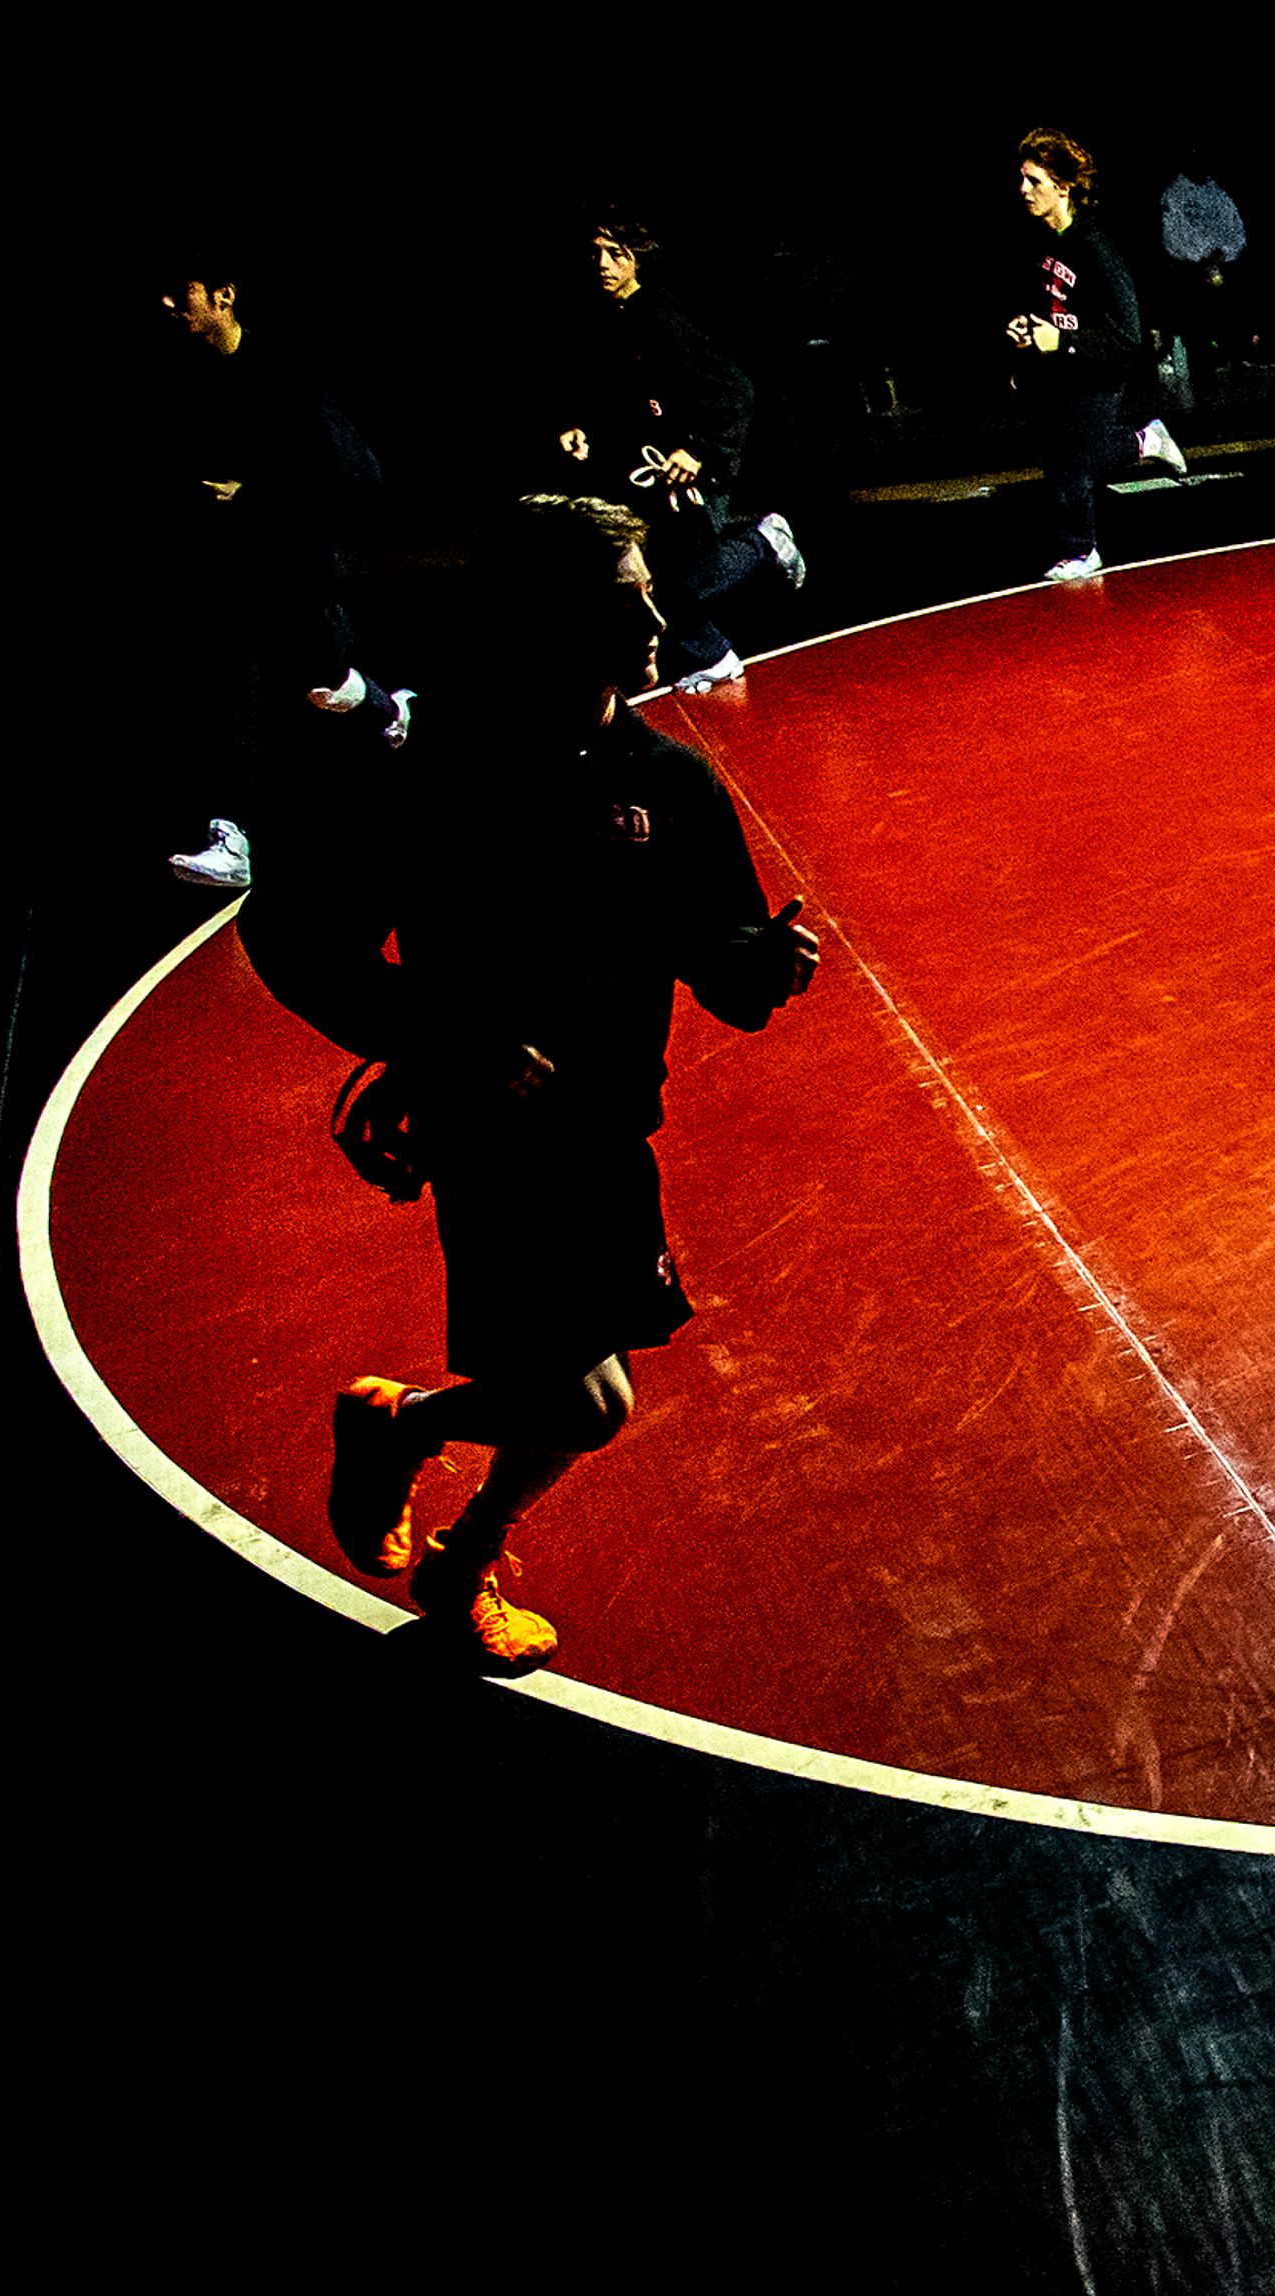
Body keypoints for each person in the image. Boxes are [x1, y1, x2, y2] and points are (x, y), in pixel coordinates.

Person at [240, 494, 823, 1670]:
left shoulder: (672, 786)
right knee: (587, 1404)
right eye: (624, 600)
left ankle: (403, 1436)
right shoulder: (433, 777)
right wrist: (441, 1037)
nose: (658, 615)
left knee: (575, 1391)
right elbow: (291, 937)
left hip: (611, 1129)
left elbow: (722, 973)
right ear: (538, 621)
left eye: (651, 586)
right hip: (493, 1136)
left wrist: (762, 967)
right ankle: (453, 1542)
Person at [152, 255, 393, 888]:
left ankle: (389, 710)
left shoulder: (285, 378)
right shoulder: (184, 379)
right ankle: (230, 837)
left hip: (301, 573)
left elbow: (360, 475)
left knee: (326, 689)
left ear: (224, 296)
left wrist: (253, 498)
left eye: (183, 292)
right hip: (235, 577)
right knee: (231, 693)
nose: (169, 306)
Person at [545, 213, 803, 694]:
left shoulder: (659, 314)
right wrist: (578, 426)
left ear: (635, 258)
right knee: (653, 576)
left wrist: (699, 450)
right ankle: (715, 655)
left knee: (686, 582)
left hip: (691, 473)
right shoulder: (601, 318)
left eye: (614, 253)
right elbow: (609, 394)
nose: (602, 264)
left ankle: (763, 544)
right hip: (641, 472)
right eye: (595, 253)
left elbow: (735, 390)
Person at [1006, 128, 1187, 582]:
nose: (1023, 190)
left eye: (1034, 181)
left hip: (1100, 370)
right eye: (1023, 179)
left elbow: (1127, 335)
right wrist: (1025, 332)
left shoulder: (1096, 250)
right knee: (1063, 457)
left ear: (1062, 187)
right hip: (1059, 367)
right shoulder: (1040, 241)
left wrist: (1064, 342)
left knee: (1074, 467)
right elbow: (1051, 307)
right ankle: (1146, 440)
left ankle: (1082, 552)